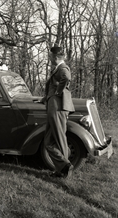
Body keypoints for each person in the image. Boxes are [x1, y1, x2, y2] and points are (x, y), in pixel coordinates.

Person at [42, 46, 75, 178]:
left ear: (55, 57)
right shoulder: (57, 68)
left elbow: (66, 78)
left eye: (50, 56)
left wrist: (58, 92)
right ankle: (63, 167)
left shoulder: (63, 68)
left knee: (59, 138)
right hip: (53, 107)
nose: (49, 58)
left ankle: (65, 168)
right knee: (48, 142)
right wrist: (46, 98)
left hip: (58, 108)